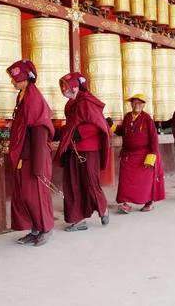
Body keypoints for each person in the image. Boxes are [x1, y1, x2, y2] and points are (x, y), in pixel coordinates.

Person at [6, 59, 55, 247]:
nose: (13, 82)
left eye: (16, 78)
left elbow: (40, 132)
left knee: (35, 195)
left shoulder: (34, 99)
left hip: (34, 157)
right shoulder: (23, 96)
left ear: (26, 78)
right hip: (23, 155)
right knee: (24, 195)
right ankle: (34, 230)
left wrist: (38, 164)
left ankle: (46, 228)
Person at [54, 72, 110, 231]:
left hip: (88, 150)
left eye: (66, 86)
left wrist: (76, 134)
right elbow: (71, 126)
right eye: (62, 87)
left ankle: (103, 208)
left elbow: (98, 125)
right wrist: (56, 132)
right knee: (72, 184)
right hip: (72, 150)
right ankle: (78, 220)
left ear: (75, 86)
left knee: (91, 182)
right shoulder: (71, 104)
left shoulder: (87, 102)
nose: (64, 90)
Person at [107, 94, 165, 213]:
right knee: (125, 180)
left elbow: (154, 138)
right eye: (134, 102)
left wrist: (152, 155)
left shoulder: (147, 118)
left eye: (139, 103)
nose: (136, 105)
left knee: (144, 181)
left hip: (143, 154)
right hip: (128, 155)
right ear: (131, 104)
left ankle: (149, 201)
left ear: (143, 105)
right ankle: (126, 203)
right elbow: (122, 131)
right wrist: (111, 126)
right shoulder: (128, 116)